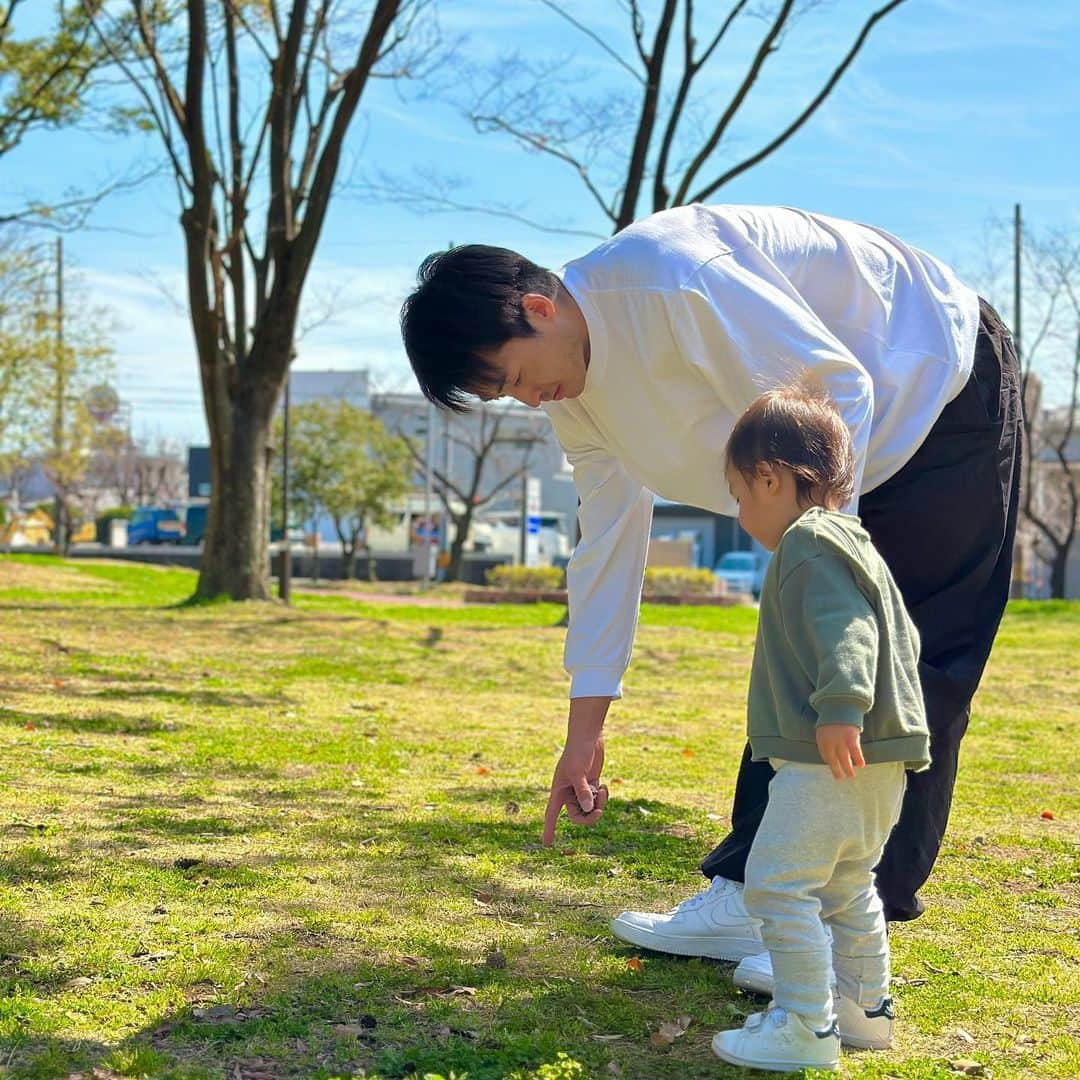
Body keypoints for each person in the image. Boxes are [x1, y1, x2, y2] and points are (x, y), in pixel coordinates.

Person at [399, 204, 1021, 992]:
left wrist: (830, 570)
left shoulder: (673, 277)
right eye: (506, 397)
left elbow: (839, 390)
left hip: (939, 383)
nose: (531, 401)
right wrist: (583, 733)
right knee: (801, 655)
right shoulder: (574, 396)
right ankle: (751, 894)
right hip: (841, 443)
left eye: (516, 377)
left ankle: (844, 927)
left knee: (904, 661)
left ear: (538, 308)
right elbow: (607, 545)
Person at [707, 381, 928, 1071]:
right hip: (882, 761)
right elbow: (902, 641)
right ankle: (863, 1010)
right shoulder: (853, 540)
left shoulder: (806, 545)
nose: (741, 511)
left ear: (771, 478)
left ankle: (805, 1023)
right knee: (845, 883)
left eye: (740, 494)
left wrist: (840, 708)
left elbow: (850, 636)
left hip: (829, 754)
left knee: (778, 882)